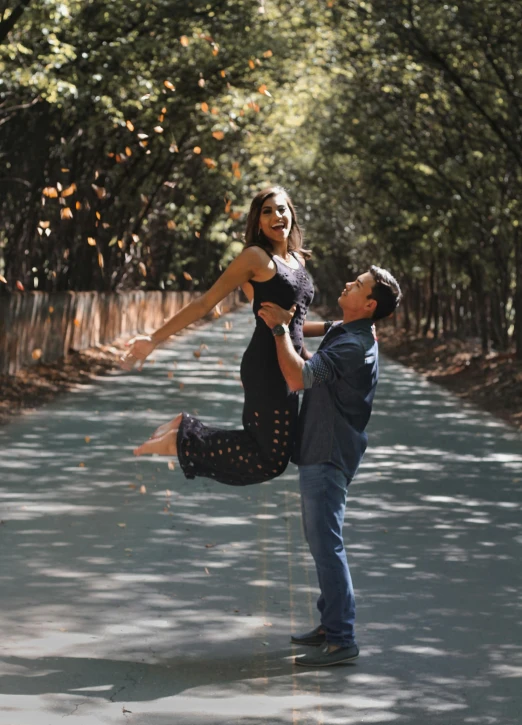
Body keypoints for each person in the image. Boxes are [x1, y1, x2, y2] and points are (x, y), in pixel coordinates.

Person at [121, 186, 314, 486]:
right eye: (267, 212)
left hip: (288, 366)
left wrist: (336, 328)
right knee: (270, 459)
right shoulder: (255, 258)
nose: (277, 216)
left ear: (291, 214)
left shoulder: (298, 261)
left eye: (282, 209)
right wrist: (153, 339)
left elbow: (297, 322)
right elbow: (204, 303)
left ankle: (184, 432)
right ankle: (183, 437)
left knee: (274, 457)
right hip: (266, 367)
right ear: (258, 222)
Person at [258, 266, 401, 666]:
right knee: (320, 540)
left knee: (327, 544)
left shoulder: (356, 344)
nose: (347, 283)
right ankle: (330, 623)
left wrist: (278, 330)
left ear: (370, 304)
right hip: (322, 446)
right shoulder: (350, 329)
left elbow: (300, 376)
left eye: (356, 285)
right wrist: (292, 322)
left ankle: (341, 638)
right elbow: (315, 347)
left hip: (329, 452)